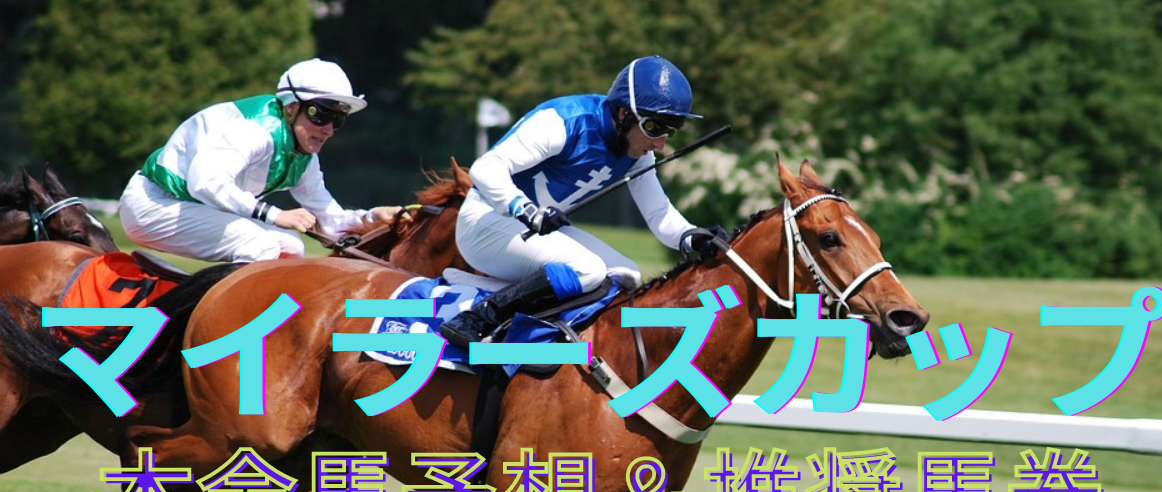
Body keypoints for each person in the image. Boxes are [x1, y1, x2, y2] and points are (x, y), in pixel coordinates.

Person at [439, 55, 726, 348]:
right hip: (484, 223)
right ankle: (476, 318)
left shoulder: (638, 152)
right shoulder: (565, 121)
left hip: (534, 232)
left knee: (626, 275)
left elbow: (659, 212)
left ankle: (549, 341)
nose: (660, 143)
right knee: (587, 269)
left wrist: (693, 236)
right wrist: (527, 211)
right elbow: (485, 168)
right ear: (624, 114)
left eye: (669, 131)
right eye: (653, 127)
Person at [118, 58, 400, 264]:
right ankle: (209, 322)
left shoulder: (304, 156)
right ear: (291, 108)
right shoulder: (256, 131)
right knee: (260, 245)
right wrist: (275, 215)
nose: (328, 129)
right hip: (154, 205)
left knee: (291, 247)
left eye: (337, 119)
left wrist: (372, 219)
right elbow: (205, 182)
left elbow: (331, 222)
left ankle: (265, 321)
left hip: (191, 208)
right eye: (320, 115)